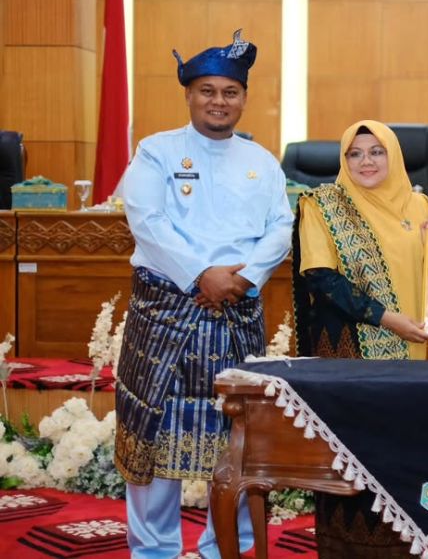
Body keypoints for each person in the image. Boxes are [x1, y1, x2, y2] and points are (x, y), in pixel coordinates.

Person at [115, 30, 294, 558]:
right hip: (166, 312)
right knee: (152, 432)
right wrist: (202, 274)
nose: (219, 101)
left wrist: (244, 278)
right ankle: (153, 551)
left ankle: (225, 549)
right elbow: (146, 220)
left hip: (236, 312)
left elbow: (281, 227)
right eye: (208, 91)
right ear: (189, 95)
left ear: (243, 97)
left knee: (237, 438)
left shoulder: (261, 160)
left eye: (230, 92)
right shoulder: (157, 151)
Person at [293, 119, 428, 557]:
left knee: (403, 454)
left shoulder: (421, 206)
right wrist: (386, 318)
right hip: (350, 353)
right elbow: (322, 279)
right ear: (343, 160)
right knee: (351, 461)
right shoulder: (323, 204)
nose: (366, 161)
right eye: (355, 153)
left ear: (394, 155)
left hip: (412, 350)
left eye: (377, 151)